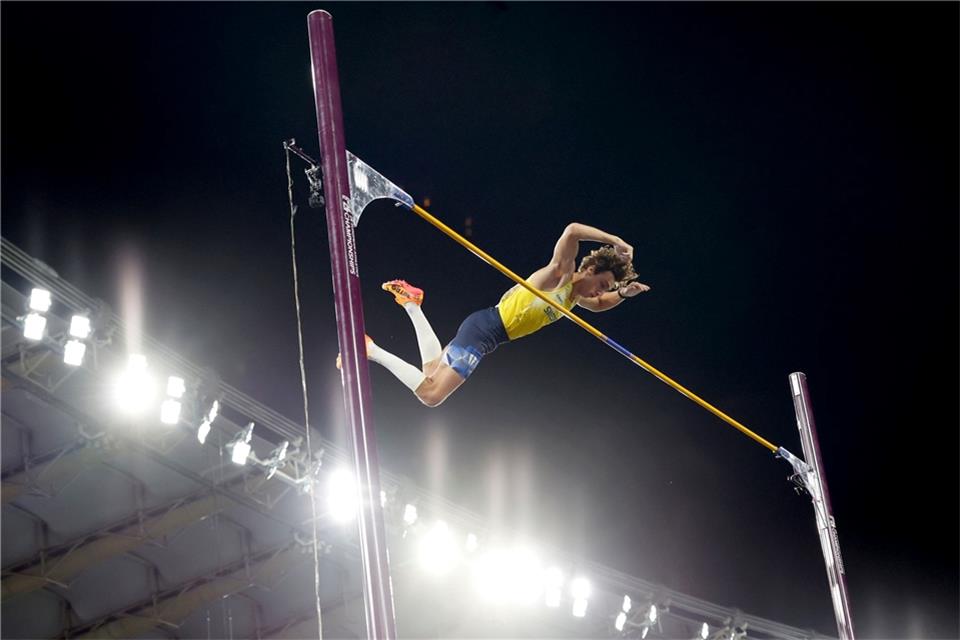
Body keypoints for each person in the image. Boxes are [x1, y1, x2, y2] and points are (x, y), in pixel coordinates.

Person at [353, 222, 650, 407]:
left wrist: (623, 294)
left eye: (606, 289)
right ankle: (371, 349)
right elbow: (572, 230)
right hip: (485, 330)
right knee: (431, 394)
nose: (600, 293)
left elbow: (600, 305)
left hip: (487, 331)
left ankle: (413, 304)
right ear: (589, 270)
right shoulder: (561, 276)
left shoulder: (575, 299)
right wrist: (615, 241)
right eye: (602, 285)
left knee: (431, 372)